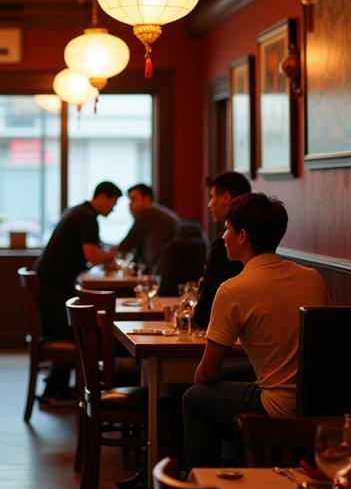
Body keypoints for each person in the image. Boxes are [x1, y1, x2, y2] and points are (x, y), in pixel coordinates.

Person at [182, 193, 330, 468]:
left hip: (279, 408)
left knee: (195, 397)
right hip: (319, 402)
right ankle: (234, 461)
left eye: (227, 228)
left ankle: (203, 487)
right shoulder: (312, 277)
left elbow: (208, 371)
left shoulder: (233, 289)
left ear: (242, 236)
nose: (223, 236)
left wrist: (199, 376)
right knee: (238, 374)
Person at [34, 181, 122, 399]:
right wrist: (114, 255)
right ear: (103, 196)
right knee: (83, 331)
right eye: (114, 202)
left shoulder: (79, 211)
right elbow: (91, 254)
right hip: (52, 288)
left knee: (79, 326)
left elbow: (90, 252)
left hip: (48, 286)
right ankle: (65, 389)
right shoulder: (87, 217)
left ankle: (56, 388)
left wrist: (105, 258)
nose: (113, 209)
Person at [192, 171, 252, 329]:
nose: (209, 204)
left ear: (225, 197)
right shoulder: (259, 237)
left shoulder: (225, 244)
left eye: (212, 197)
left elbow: (204, 314)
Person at [115, 182, 180, 273]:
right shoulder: (158, 213)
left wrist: (107, 257)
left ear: (147, 199)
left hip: (162, 272)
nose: (130, 204)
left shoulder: (146, 213)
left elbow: (126, 246)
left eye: (133, 199)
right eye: (129, 201)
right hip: (168, 270)